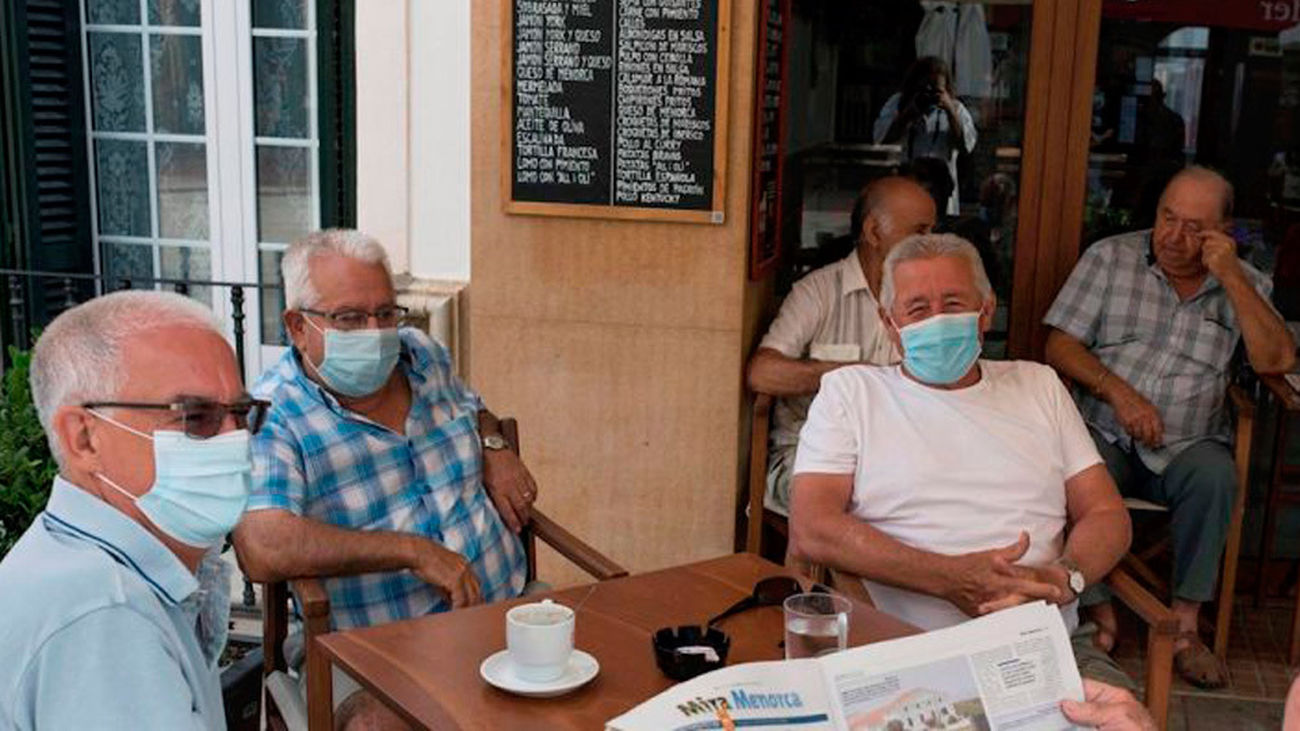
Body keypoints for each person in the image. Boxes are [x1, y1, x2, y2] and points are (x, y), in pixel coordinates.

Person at [788, 233, 1133, 685]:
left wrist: (1063, 579)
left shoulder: (1038, 386)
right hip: (900, 651)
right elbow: (812, 526)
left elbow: (1107, 514)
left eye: (953, 304)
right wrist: (950, 579)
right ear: (889, 324)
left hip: (1040, 646)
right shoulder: (852, 393)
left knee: (1124, 719)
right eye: (917, 309)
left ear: (985, 311)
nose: (936, 320)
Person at [234, 229, 535, 728]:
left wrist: (494, 444)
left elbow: (472, 406)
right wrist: (412, 551)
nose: (376, 333)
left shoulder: (423, 354)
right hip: (376, 651)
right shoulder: (276, 413)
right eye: (350, 318)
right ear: (297, 326)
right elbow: (262, 547)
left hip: (506, 609)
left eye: (386, 313)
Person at [1044, 166, 1296, 688]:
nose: (1173, 237)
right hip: (1106, 431)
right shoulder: (1109, 259)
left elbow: (1275, 360)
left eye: (1193, 227)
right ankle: (1098, 613)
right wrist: (1119, 392)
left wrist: (1230, 276)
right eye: (1166, 217)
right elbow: (1060, 345)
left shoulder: (1244, 283)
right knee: (1072, 470)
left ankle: (1184, 625)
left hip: (1188, 444)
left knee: (1217, 475)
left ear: (1223, 232)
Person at [0, 291, 262, 729]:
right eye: (195, 417)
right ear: (84, 438)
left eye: (241, 412)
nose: (236, 439)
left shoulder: (80, 567)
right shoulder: (105, 616)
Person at [747, 177, 936, 515]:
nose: (930, 243)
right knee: (877, 502)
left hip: (900, 456)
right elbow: (763, 374)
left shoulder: (929, 300)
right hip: (810, 457)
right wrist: (854, 378)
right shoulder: (818, 292)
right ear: (874, 232)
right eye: (920, 231)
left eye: (933, 231)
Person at [873, 56, 978, 216]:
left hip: (941, 191)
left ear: (946, 89)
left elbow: (966, 147)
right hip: (908, 184)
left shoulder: (957, 109)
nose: (929, 96)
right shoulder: (898, 104)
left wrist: (950, 110)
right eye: (925, 89)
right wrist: (909, 113)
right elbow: (880, 138)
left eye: (935, 91)